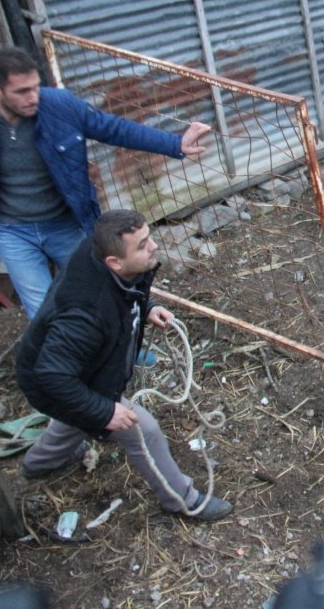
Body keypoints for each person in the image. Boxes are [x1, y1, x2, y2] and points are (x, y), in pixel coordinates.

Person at [15, 209, 232, 521]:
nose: (154, 246)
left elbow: (126, 293)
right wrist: (105, 411)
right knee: (142, 430)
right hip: (53, 378)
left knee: (76, 415)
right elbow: (53, 377)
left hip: (79, 370)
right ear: (114, 262)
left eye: (149, 237)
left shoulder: (111, 263)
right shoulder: (84, 316)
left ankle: (36, 465)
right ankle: (183, 500)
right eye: (143, 244)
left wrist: (148, 307)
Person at [0, 46, 211, 319]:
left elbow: (113, 128)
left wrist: (175, 143)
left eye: (36, 87)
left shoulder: (60, 106)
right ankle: (62, 360)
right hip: (12, 231)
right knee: (41, 310)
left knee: (102, 291)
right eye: (22, 91)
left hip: (64, 223)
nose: (33, 97)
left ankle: (126, 351)